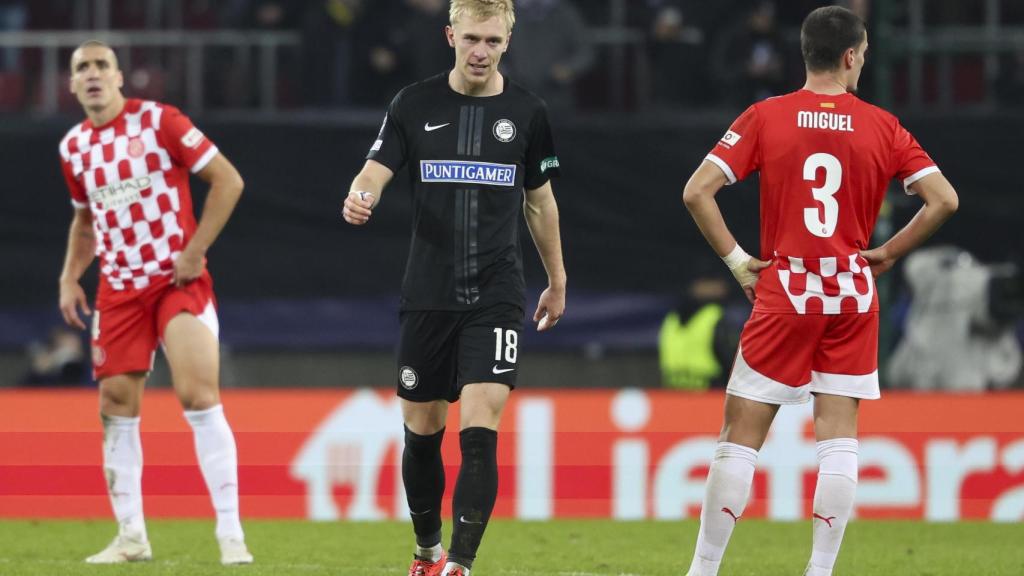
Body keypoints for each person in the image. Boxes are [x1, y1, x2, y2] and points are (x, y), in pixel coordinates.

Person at [680, 6, 957, 576]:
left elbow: (697, 192)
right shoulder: (883, 125)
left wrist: (737, 262)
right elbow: (944, 199)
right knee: (838, 438)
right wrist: (887, 253)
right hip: (852, 293)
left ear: (806, 53)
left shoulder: (766, 116)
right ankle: (820, 571)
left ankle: (703, 571)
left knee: (741, 436)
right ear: (852, 55)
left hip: (787, 290)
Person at [341, 1, 566, 574]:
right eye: (471, 39)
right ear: (450, 36)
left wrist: (557, 280)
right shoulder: (413, 104)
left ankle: (460, 565)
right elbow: (376, 167)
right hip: (428, 291)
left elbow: (540, 203)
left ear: (507, 43)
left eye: (492, 41)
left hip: (497, 291)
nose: (481, 52)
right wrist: (361, 193)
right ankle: (426, 551)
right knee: (422, 431)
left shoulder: (528, 111)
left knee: (480, 426)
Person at [57, 40, 252, 565]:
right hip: (118, 290)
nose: (93, 74)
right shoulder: (73, 147)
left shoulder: (160, 122)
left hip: (175, 278)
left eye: (101, 65)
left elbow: (228, 180)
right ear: (72, 84)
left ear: (120, 77)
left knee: (197, 395)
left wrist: (196, 250)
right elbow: (84, 220)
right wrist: (69, 277)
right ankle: (131, 538)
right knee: (115, 407)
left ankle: (231, 535)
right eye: (83, 68)